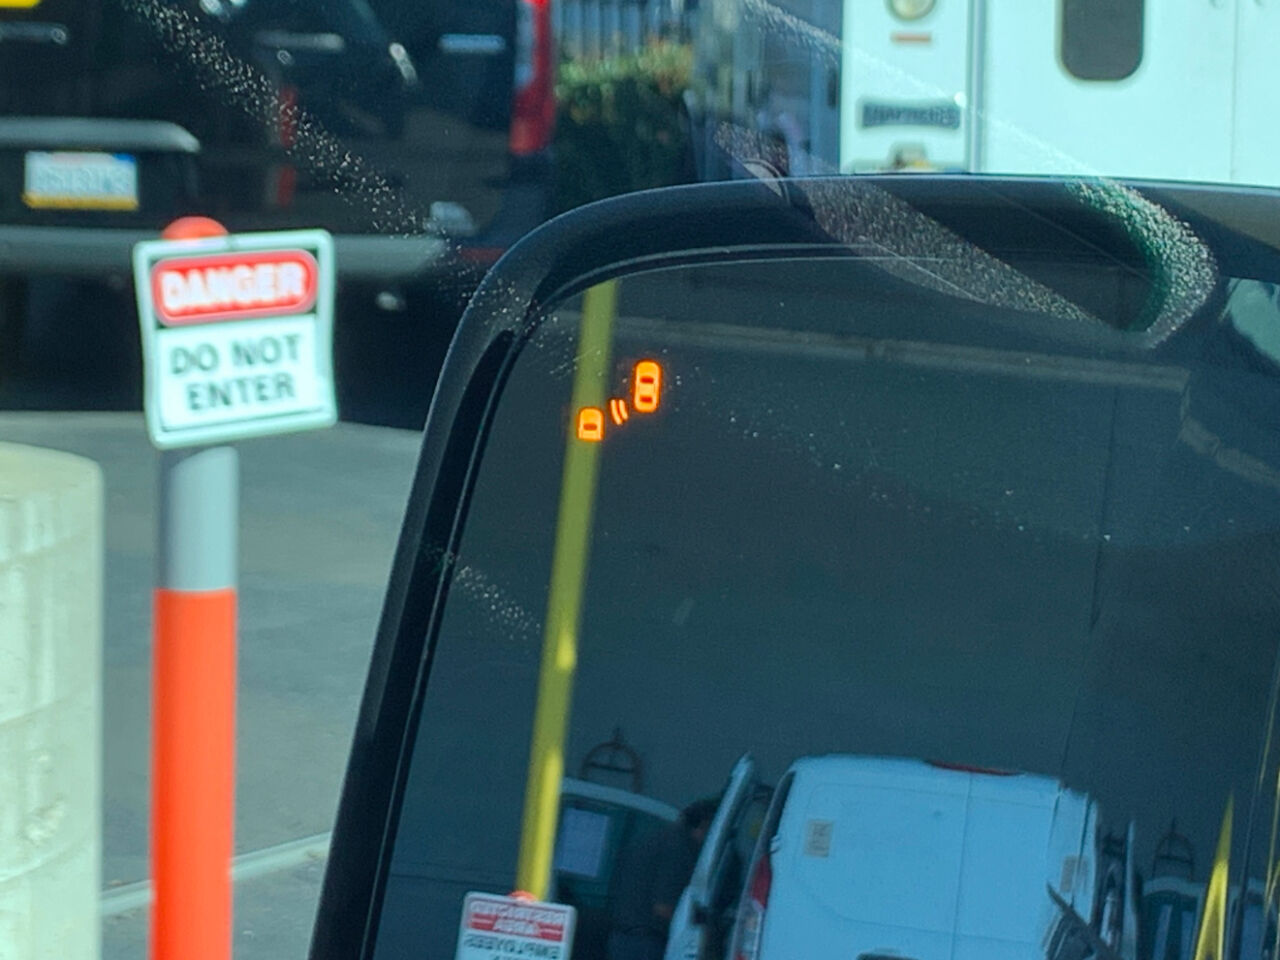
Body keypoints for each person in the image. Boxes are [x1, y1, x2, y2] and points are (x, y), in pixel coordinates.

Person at [607, 798, 720, 960]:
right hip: (645, 941)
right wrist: (702, 929)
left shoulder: (657, 837)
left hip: (624, 936)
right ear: (704, 825)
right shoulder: (679, 849)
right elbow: (663, 908)